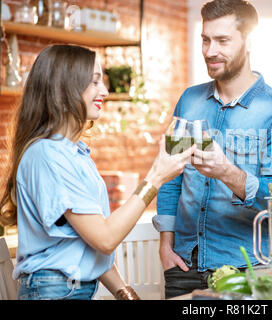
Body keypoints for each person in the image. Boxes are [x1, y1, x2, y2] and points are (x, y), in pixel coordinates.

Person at [0, 44, 196, 300]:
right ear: (63, 90)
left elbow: (87, 242)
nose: (104, 90)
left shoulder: (74, 153)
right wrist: (155, 178)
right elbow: (104, 238)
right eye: (94, 82)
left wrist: (125, 293)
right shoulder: (47, 155)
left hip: (70, 289)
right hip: (55, 291)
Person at [153, 0, 272, 299]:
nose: (209, 51)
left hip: (246, 270)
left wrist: (228, 173)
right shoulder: (190, 101)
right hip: (184, 266)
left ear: (249, 42)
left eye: (222, 40)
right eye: (205, 40)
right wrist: (165, 246)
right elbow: (171, 179)